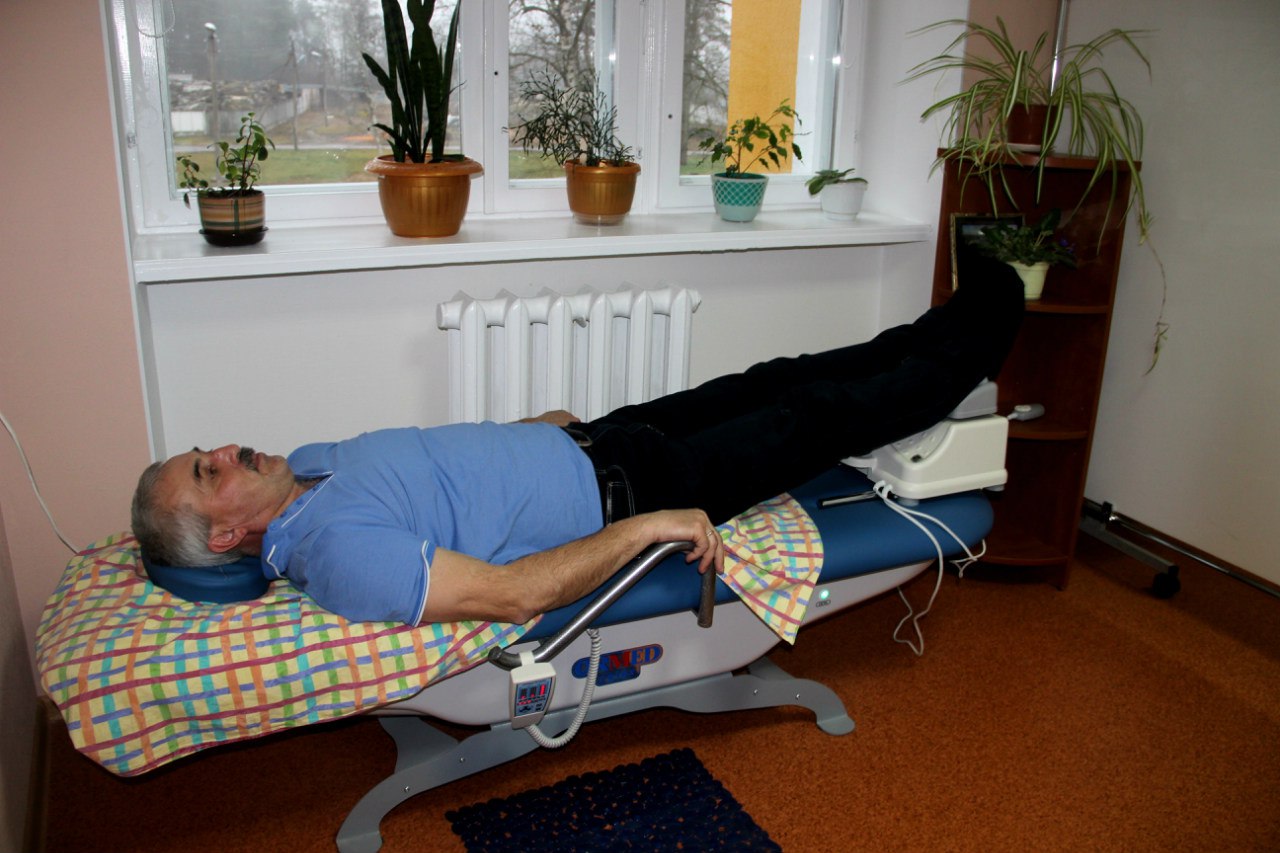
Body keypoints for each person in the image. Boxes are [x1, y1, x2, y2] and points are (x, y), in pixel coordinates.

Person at [131, 259, 1024, 627]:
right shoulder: (334, 554)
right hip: (636, 490)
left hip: (606, 437)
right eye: (208, 472)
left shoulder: (308, 466)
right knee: (821, 414)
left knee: (782, 375)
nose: (227, 450)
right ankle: (982, 337)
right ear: (226, 534)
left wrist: (541, 429)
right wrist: (651, 526)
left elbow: (446, 468)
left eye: (208, 449)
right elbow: (515, 594)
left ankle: (939, 327)